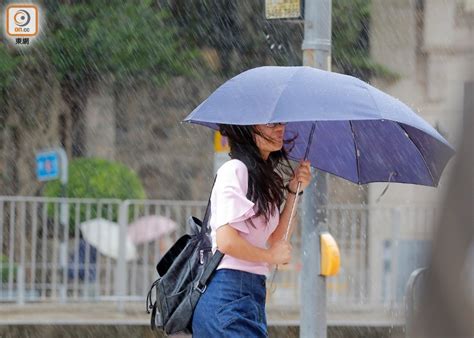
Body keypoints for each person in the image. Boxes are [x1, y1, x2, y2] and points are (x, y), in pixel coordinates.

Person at [192, 122, 312, 337]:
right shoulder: (234, 170)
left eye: (281, 122)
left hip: (250, 293)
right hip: (227, 295)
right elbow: (226, 240)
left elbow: (276, 238)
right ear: (246, 129)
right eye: (270, 124)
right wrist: (269, 256)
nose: (280, 129)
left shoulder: (262, 178)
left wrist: (294, 192)